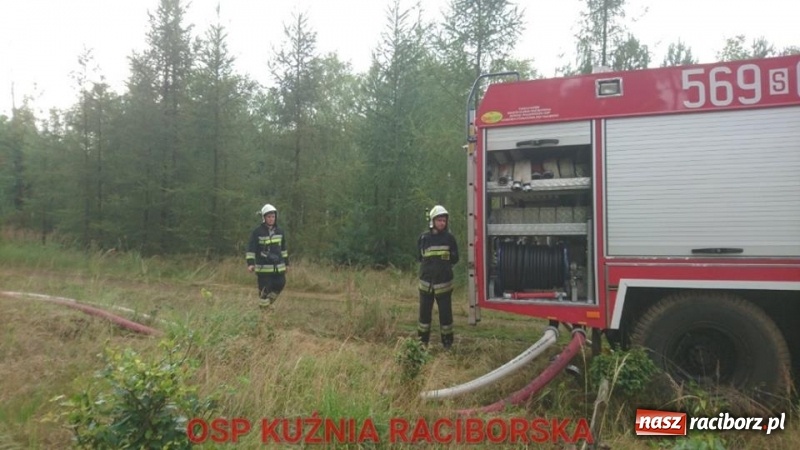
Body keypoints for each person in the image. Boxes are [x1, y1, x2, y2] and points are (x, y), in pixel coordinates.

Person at [417, 205, 459, 350]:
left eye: (444, 220)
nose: (442, 223)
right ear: (432, 221)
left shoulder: (450, 238)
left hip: (444, 285)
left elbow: (455, 258)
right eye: (439, 220)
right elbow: (419, 257)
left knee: (446, 318)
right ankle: (422, 343)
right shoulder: (424, 238)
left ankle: (447, 344)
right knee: (424, 317)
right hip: (426, 285)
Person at [246, 204, 288, 308]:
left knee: (280, 284)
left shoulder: (280, 231)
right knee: (264, 290)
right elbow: (251, 249)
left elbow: (283, 249)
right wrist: (250, 264)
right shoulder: (257, 232)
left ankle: (268, 304)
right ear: (264, 218)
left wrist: (287, 263)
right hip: (263, 268)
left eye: (273, 216)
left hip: (278, 267)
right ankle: (264, 312)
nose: (271, 219)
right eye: (269, 217)